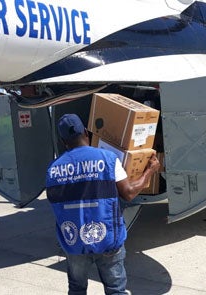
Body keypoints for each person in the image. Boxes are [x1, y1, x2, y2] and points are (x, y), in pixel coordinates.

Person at [46, 114, 159, 295]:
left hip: (74, 242)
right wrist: (149, 172)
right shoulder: (107, 158)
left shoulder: (53, 169)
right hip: (107, 240)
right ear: (85, 132)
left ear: (63, 140)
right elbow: (129, 192)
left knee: (76, 289)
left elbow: (56, 204)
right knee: (115, 290)